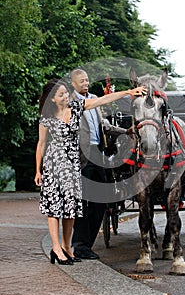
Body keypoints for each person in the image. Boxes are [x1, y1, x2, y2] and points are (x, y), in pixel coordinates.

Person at [34, 77, 146, 265]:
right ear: (52, 99)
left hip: (72, 164)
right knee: (54, 209)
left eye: (66, 93)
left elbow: (102, 100)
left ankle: (67, 247)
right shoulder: (47, 117)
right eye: (61, 95)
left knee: (71, 209)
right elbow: (41, 144)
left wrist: (127, 92)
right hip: (53, 165)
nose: (66, 97)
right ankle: (55, 248)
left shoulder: (77, 108)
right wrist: (38, 171)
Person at [70, 68, 134, 260]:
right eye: (81, 81)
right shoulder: (72, 102)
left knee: (101, 201)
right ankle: (79, 245)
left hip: (99, 154)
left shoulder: (94, 98)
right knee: (83, 202)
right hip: (81, 156)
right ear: (73, 83)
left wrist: (125, 131)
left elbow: (103, 125)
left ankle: (86, 245)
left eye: (87, 80)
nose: (85, 83)